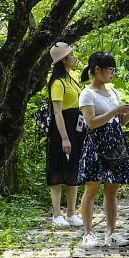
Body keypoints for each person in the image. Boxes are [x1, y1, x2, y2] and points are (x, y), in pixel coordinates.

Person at [77, 52, 129, 247]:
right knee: (92, 188)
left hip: (115, 145)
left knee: (112, 189)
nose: (112, 73)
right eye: (110, 69)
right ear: (97, 70)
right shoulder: (87, 94)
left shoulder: (113, 92)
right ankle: (87, 234)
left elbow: (121, 121)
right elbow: (91, 122)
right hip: (97, 146)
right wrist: (114, 110)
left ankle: (111, 232)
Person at [45, 42, 85, 228]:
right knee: (57, 169)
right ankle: (56, 214)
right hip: (61, 129)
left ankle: (71, 213)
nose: (74, 57)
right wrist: (64, 137)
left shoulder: (71, 79)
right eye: (71, 55)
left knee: (73, 169)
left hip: (76, 128)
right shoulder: (57, 83)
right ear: (63, 60)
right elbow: (57, 112)